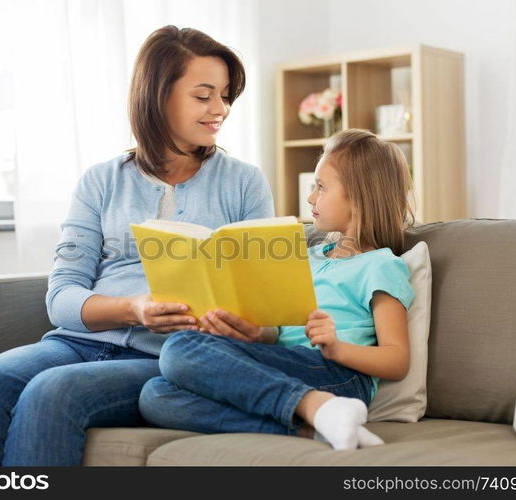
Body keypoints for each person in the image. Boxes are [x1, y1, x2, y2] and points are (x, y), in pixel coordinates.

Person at [0, 25, 274, 466]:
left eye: (226, 96)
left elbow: (266, 310)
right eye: (204, 95)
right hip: (77, 342)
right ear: (158, 96)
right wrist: (133, 308)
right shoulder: (101, 181)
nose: (220, 109)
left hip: (169, 358)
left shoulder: (244, 183)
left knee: (51, 392)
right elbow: (61, 298)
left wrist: (251, 326)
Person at [139, 128, 416, 450]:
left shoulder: (380, 265)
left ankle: (315, 404)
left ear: (360, 196)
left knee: (178, 348)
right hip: (286, 362)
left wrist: (336, 348)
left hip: (338, 373)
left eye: (321, 187)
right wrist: (255, 334)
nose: (311, 197)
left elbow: (397, 360)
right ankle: (315, 425)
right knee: (156, 396)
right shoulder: (309, 256)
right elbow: (283, 331)